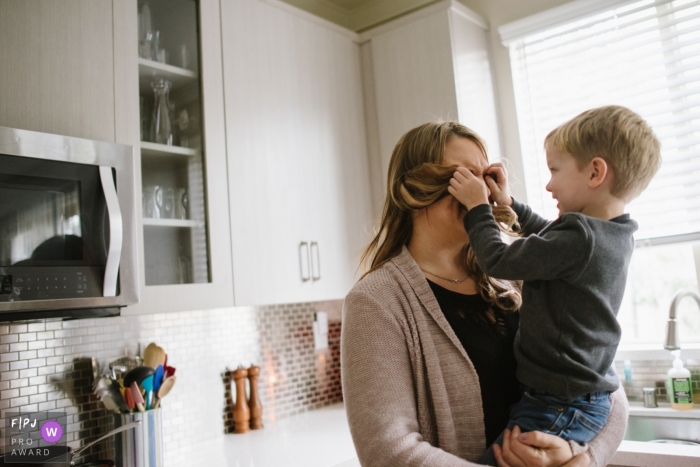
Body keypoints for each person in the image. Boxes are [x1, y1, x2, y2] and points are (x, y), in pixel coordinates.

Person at [341, 121, 629, 467]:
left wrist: (581, 459)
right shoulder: (377, 301)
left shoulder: (521, 274)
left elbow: (603, 389)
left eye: (486, 178)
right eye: (464, 178)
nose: (482, 193)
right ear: (415, 189)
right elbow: (388, 451)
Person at [447, 106, 660, 466]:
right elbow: (551, 238)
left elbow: (498, 260)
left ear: (595, 172)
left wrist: (477, 208)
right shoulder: (611, 233)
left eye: (554, 170)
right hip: (578, 398)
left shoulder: (581, 237)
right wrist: (509, 204)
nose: (548, 184)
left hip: (557, 403)